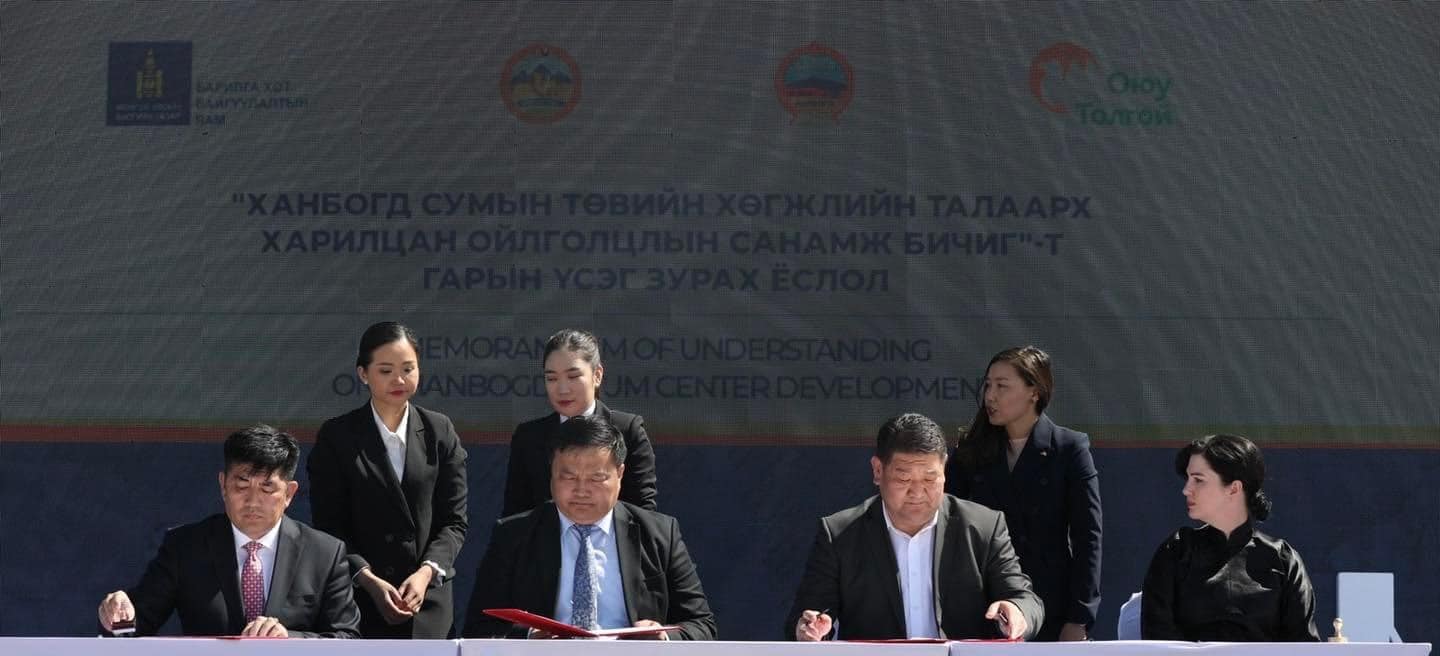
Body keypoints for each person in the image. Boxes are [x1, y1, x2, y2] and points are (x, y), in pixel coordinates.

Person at [786, 413, 1043, 641]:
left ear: (944, 470)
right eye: (904, 478)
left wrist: (1016, 611)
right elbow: (807, 615)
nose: (917, 493)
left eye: (930, 479)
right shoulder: (840, 533)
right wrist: (810, 628)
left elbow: (1025, 599)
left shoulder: (983, 526)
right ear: (878, 470)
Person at [463, 415, 716, 640]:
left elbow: (702, 625)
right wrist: (530, 637)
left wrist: (663, 637)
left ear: (620, 474)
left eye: (597, 478)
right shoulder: (514, 535)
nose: (581, 490)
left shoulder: (659, 534)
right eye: (569, 477)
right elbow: (478, 627)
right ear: (551, 474)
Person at [97, 425, 360, 638]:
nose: (253, 501)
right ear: (223, 486)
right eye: (242, 486)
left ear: (289, 493)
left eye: (267, 488)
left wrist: (289, 639)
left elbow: (346, 637)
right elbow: (134, 627)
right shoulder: (185, 547)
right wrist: (118, 617)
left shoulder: (324, 553)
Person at [307, 321, 469, 638]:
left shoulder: (439, 430)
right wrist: (368, 579)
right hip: (360, 601)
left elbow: (454, 522)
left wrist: (426, 573)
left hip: (427, 602)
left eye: (408, 369)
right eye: (385, 371)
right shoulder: (338, 436)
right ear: (363, 374)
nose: (399, 380)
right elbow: (329, 525)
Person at [945, 346, 1102, 641]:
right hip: (985, 602)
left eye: (1002, 386)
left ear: (1034, 392)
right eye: (988, 385)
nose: (990, 396)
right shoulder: (971, 450)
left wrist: (1079, 618)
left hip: (1049, 604)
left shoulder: (1069, 448)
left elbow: (1087, 537)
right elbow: (946, 518)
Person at [1142, 434, 1320, 641]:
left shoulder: (1283, 559)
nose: (1186, 490)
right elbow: (1157, 638)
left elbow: (1303, 644)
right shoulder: (1177, 550)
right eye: (1188, 479)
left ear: (1234, 488)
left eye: (1198, 480)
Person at [501, 328, 657, 517]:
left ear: (597, 375)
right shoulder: (529, 437)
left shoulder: (627, 430)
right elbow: (515, 515)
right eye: (551, 378)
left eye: (573, 376)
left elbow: (643, 512)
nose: (562, 389)